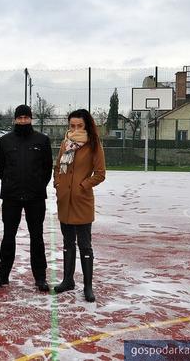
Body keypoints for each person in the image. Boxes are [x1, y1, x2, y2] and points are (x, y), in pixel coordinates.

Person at [0, 105, 52, 292]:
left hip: (36, 197)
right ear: (15, 119)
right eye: (20, 118)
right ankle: (2, 275)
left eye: (26, 117)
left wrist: (37, 185)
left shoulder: (42, 140)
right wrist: (11, 183)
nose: (23, 121)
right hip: (11, 197)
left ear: (31, 119)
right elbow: (2, 168)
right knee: (8, 236)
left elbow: (47, 168)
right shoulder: (6, 141)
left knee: (37, 237)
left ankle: (40, 277)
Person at [53, 109, 106, 302]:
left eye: (79, 126)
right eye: (72, 125)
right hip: (64, 200)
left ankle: (88, 286)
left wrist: (83, 185)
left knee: (85, 245)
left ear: (86, 125)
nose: (75, 129)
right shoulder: (65, 143)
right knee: (68, 243)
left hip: (82, 201)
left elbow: (100, 173)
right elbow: (58, 166)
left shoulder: (93, 145)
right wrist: (57, 184)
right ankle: (68, 280)